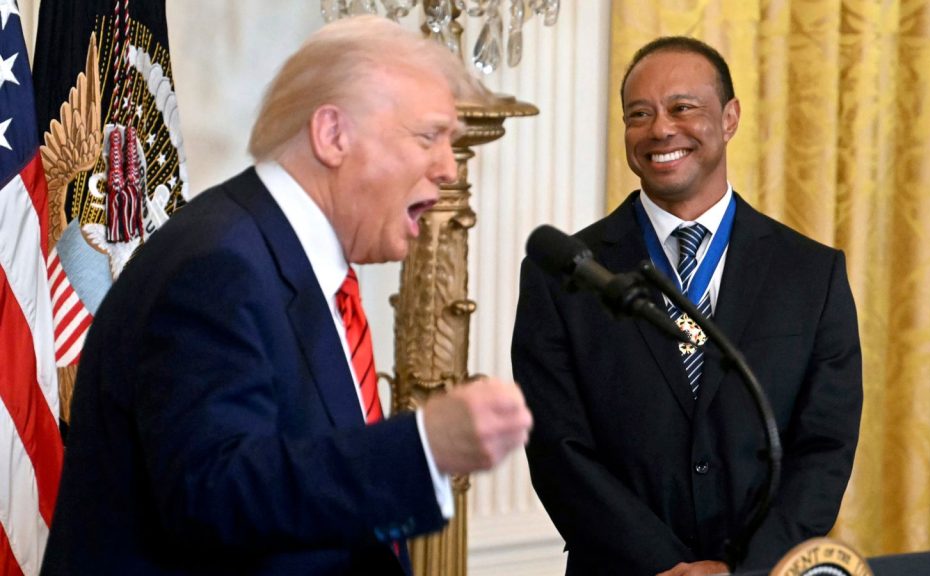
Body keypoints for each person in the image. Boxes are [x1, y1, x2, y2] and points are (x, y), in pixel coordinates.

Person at [42, 16, 532, 575]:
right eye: (429, 137)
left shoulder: (290, 261)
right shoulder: (218, 266)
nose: (448, 168)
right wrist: (423, 448)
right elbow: (214, 499)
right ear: (333, 135)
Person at [512, 36, 862, 575]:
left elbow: (824, 448)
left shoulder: (811, 274)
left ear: (729, 118)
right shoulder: (566, 274)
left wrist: (741, 569)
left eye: (683, 108)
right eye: (639, 114)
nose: (660, 129)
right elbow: (558, 450)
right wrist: (663, 565)